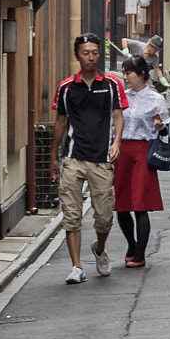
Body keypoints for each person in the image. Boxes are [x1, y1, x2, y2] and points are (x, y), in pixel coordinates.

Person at [53, 33, 125, 283]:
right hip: (72, 157)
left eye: (95, 52)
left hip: (101, 158)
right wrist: (54, 156)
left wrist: (116, 142)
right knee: (71, 214)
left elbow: (118, 116)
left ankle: (100, 248)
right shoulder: (66, 87)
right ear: (77, 56)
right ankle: (76, 266)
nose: (91, 57)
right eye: (86, 53)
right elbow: (60, 122)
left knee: (104, 216)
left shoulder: (111, 84)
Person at [113, 57, 170, 267]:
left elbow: (165, 130)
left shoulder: (155, 99)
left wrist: (159, 126)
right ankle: (131, 244)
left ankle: (140, 253)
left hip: (143, 151)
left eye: (129, 73)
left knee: (140, 205)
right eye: (124, 72)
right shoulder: (120, 98)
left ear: (141, 74)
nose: (125, 77)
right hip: (121, 150)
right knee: (121, 205)